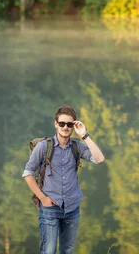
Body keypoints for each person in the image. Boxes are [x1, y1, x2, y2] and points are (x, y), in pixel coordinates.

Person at [22, 106, 105, 254]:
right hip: (49, 208)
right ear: (56, 124)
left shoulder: (77, 147)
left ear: (73, 126)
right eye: (62, 123)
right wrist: (42, 198)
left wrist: (84, 135)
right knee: (48, 251)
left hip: (72, 208)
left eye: (69, 124)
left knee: (68, 251)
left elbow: (99, 159)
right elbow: (27, 173)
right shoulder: (43, 147)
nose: (65, 127)